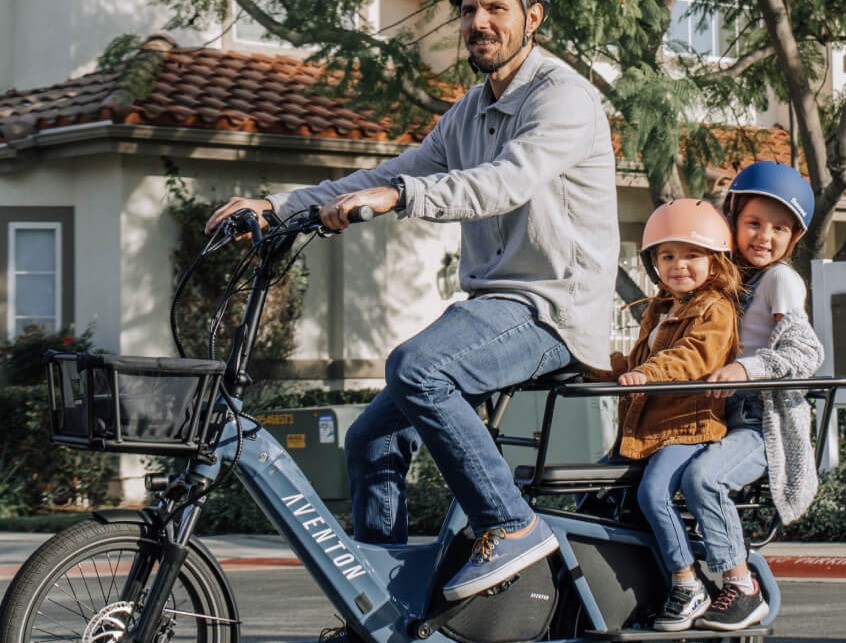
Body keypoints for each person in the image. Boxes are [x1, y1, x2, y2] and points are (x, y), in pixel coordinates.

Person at [205, 0, 619, 609]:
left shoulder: (562, 98)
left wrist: (398, 196)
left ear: (534, 16)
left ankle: (510, 525)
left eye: (496, 7)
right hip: (492, 311)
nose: (479, 21)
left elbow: (505, 180)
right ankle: (382, 599)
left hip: (552, 309)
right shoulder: (468, 114)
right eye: (469, 9)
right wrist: (279, 206)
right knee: (370, 440)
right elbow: (388, 171)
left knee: (419, 366)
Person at [679, 161, 825, 631]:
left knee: (703, 479)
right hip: (718, 414)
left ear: (794, 238)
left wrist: (747, 366)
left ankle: (741, 587)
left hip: (762, 421)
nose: (765, 236)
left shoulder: (780, 279)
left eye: (780, 228)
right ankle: (678, 582)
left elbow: (804, 351)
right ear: (733, 221)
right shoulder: (725, 280)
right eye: (754, 223)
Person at [592, 199, 743, 632]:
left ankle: (685, 580)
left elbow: (695, 357)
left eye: (692, 255)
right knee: (591, 493)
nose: (679, 265)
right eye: (667, 256)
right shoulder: (659, 309)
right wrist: (593, 365)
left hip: (688, 428)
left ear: (715, 262)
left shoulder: (715, 308)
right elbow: (636, 361)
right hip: (645, 431)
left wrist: (646, 373)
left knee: (653, 492)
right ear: (654, 263)